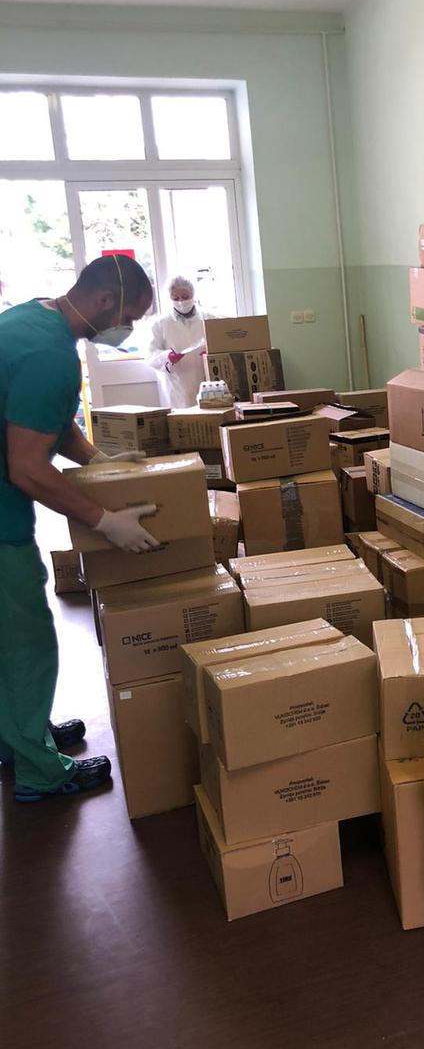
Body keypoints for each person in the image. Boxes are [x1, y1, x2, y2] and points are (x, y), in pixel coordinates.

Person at [0, 253, 159, 804]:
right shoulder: (51, 355)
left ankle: (18, 736)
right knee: (25, 641)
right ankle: (40, 771)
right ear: (104, 301)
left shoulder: (33, 318)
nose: (127, 329)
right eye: (129, 318)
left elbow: (45, 417)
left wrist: (95, 461)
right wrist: (103, 520)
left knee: (6, 637)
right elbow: (26, 466)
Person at [146, 276, 212, 408]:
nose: (181, 302)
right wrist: (167, 357)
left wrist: (212, 351)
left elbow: (225, 341)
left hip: (206, 380)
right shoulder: (160, 324)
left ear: (193, 294)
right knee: (180, 416)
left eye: (185, 297)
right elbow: (151, 355)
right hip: (176, 383)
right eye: (175, 298)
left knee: (206, 416)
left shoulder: (209, 318)